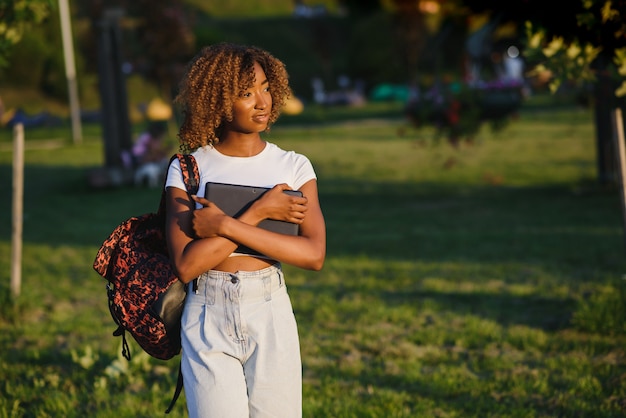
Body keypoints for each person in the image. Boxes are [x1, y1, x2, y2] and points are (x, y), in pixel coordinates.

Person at [165, 43, 326, 418]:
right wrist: (258, 213)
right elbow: (187, 266)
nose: (262, 101)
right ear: (218, 100)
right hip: (206, 313)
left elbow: (313, 255)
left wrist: (224, 225)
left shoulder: (293, 167)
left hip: (270, 311)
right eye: (246, 92)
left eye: (266, 87)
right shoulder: (189, 169)